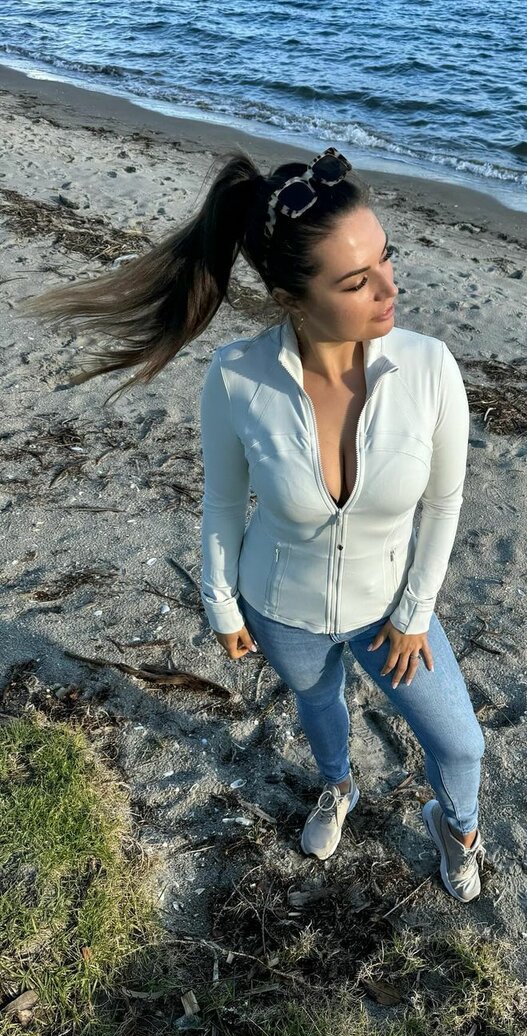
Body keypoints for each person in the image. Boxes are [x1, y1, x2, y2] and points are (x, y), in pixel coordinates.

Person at [17, 145, 487, 904]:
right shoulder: (236, 377)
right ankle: (338, 786)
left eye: (386, 258)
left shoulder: (431, 368)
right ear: (289, 297)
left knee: (461, 744)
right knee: (319, 704)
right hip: (282, 608)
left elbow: (444, 503)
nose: (389, 288)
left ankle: (458, 828)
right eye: (355, 281)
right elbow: (223, 503)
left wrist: (414, 613)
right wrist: (222, 605)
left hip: (392, 612)